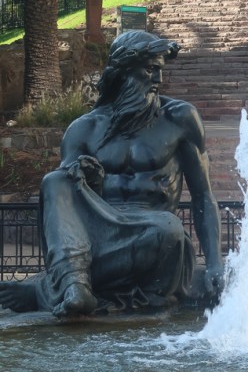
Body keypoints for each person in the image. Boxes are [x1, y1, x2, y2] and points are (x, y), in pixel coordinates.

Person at [0, 31, 224, 317]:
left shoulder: (180, 119)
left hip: (153, 235)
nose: (158, 79)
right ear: (122, 72)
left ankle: (45, 289)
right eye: (150, 69)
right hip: (99, 239)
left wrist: (215, 263)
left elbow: (203, 195)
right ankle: (74, 286)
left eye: (160, 70)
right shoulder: (84, 129)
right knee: (56, 180)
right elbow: (65, 208)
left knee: (169, 230)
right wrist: (84, 178)